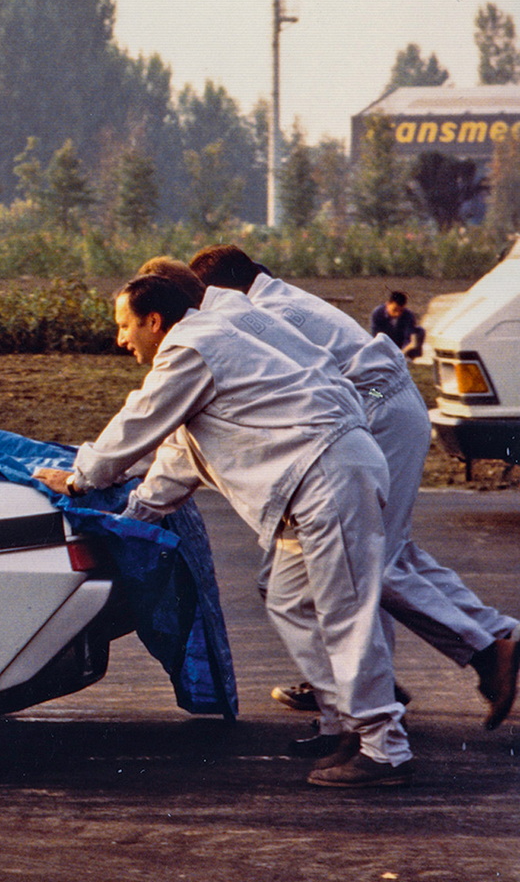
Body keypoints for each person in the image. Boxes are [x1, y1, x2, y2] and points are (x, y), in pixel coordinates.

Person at [35, 272, 412, 788]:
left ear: (154, 321)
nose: (121, 339)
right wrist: (129, 523)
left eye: (125, 326)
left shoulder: (192, 346)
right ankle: (342, 721)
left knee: (344, 611)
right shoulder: (207, 355)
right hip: (316, 479)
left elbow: (135, 425)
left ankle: (384, 748)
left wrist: (80, 481)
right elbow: (176, 462)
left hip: (329, 475)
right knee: (287, 599)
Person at [191, 245, 518, 731]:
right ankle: (484, 641)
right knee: (388, 554)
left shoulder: (262, 316)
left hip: (373, 412)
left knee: (363, 562)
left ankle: (483, 653)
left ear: (221, 290)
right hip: (382, 406)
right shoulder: (277, 299)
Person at [370, 290, 426, 360]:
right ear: (388, 304)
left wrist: (402, 353)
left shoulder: (408, 315)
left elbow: (408, 338)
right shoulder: (378, 313)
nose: (397, 314)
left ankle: (410, 359)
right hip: (386, 344)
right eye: (395, 310)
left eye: (401, 311)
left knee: (419, 331)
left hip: (401, 346)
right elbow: (376, 335)